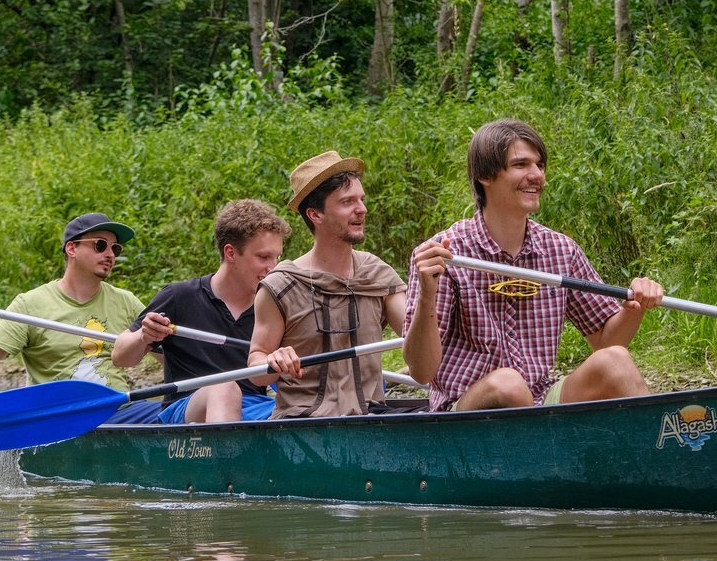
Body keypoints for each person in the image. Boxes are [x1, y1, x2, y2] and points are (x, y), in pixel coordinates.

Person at [403, 118, 664, 412]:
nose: (536, 175)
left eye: (539, 165)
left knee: (615, 360)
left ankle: (660, 448)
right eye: (520, 165)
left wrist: (635, 307)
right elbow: (421, 372)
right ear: (485, 176)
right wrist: (427, 293)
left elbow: (604, 341)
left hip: (540, 402)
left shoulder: (560, 250)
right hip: (464, 411)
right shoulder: (444, 254)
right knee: (509, 385)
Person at [248, 151, 406, 418]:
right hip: (303, 426)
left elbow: (420, 338)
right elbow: (257, 369)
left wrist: (430, 291)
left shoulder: (377, 275)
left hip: (373, 421)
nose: (362, 209)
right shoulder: (280, 286)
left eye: (361, 200)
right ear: (315, 214)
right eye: (347, 202)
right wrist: (272, 361)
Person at [111, 200, 291, 423]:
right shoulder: (179, 296)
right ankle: (226, 455)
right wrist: (143, 336)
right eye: (264, 257)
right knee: (225, 389)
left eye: (277, 257)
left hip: (254, 407)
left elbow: (265, 379)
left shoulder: (274, 307)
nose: (273, 267)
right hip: (188, 407)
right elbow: (120, 357)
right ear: (231, 253)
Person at [0, 213, 144, 394]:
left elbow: (167, 353)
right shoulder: (29, 305)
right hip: (58, 415)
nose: (110, 254)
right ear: (72, 249)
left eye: (116, 249)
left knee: (171, 412)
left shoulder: (127, 302)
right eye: (101, 245)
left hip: (121, 410)